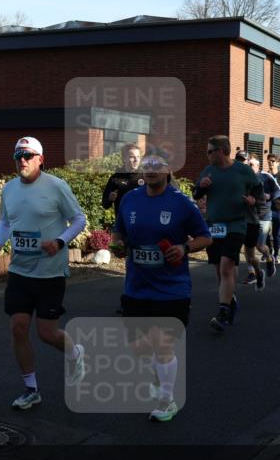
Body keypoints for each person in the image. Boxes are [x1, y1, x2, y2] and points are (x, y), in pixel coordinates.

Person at [0, 137, 87, 409]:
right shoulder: (9, 189)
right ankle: (31, 389)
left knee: (46, 333)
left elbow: (79, 219)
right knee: (18, 328)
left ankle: (75, 352)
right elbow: (7, 221)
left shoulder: (56, 186)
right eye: (18, 155)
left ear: (41, 159)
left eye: (28, 155)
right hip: (20, 271)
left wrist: (60, 242)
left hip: (50, 272)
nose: (22, 160)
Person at [110, 154, 212, 421]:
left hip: (172, 288)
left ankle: (167, 400)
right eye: (148, 165)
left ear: (168, 170)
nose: (152, 170)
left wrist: (184, 247)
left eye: (158, 165)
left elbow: (205, 238)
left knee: (163, 344)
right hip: (137, 286)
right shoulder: (130, 199)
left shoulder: (182, 203)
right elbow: (118, 231)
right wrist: (118, 245)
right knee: (140, 348)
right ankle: (160, 377)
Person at [193, 136, 260, 332]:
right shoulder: (208, 171)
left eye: (209, 151)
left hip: (235, 224)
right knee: (219, 270)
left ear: (221, 151)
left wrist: (252, 200)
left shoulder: (243, 170)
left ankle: (222, 312)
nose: (207, 155)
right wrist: (201, 187)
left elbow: (257, 190)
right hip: (213, 226)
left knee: (226, 266)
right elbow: (196, 195)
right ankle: (230, 302)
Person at [242, 154, 277, 289]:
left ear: (258, 166)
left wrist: (269, 196)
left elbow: (279, 192)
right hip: (248, 217)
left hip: (263, 216)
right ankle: (252, 273)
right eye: (247, 164)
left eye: (251, 165)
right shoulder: (243, 178)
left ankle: (269, 257)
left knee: (259, 246)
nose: (249, 167)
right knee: (248, 248)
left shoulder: (266, 177)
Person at [100, 143, 143, 214]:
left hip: (141, 222)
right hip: (122, 222)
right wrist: (110, 199)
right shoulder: (115, 178)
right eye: (132, 157)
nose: (136, 160)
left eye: (138, 157)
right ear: (124, 158)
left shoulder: (145, 176)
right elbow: (105, 205)